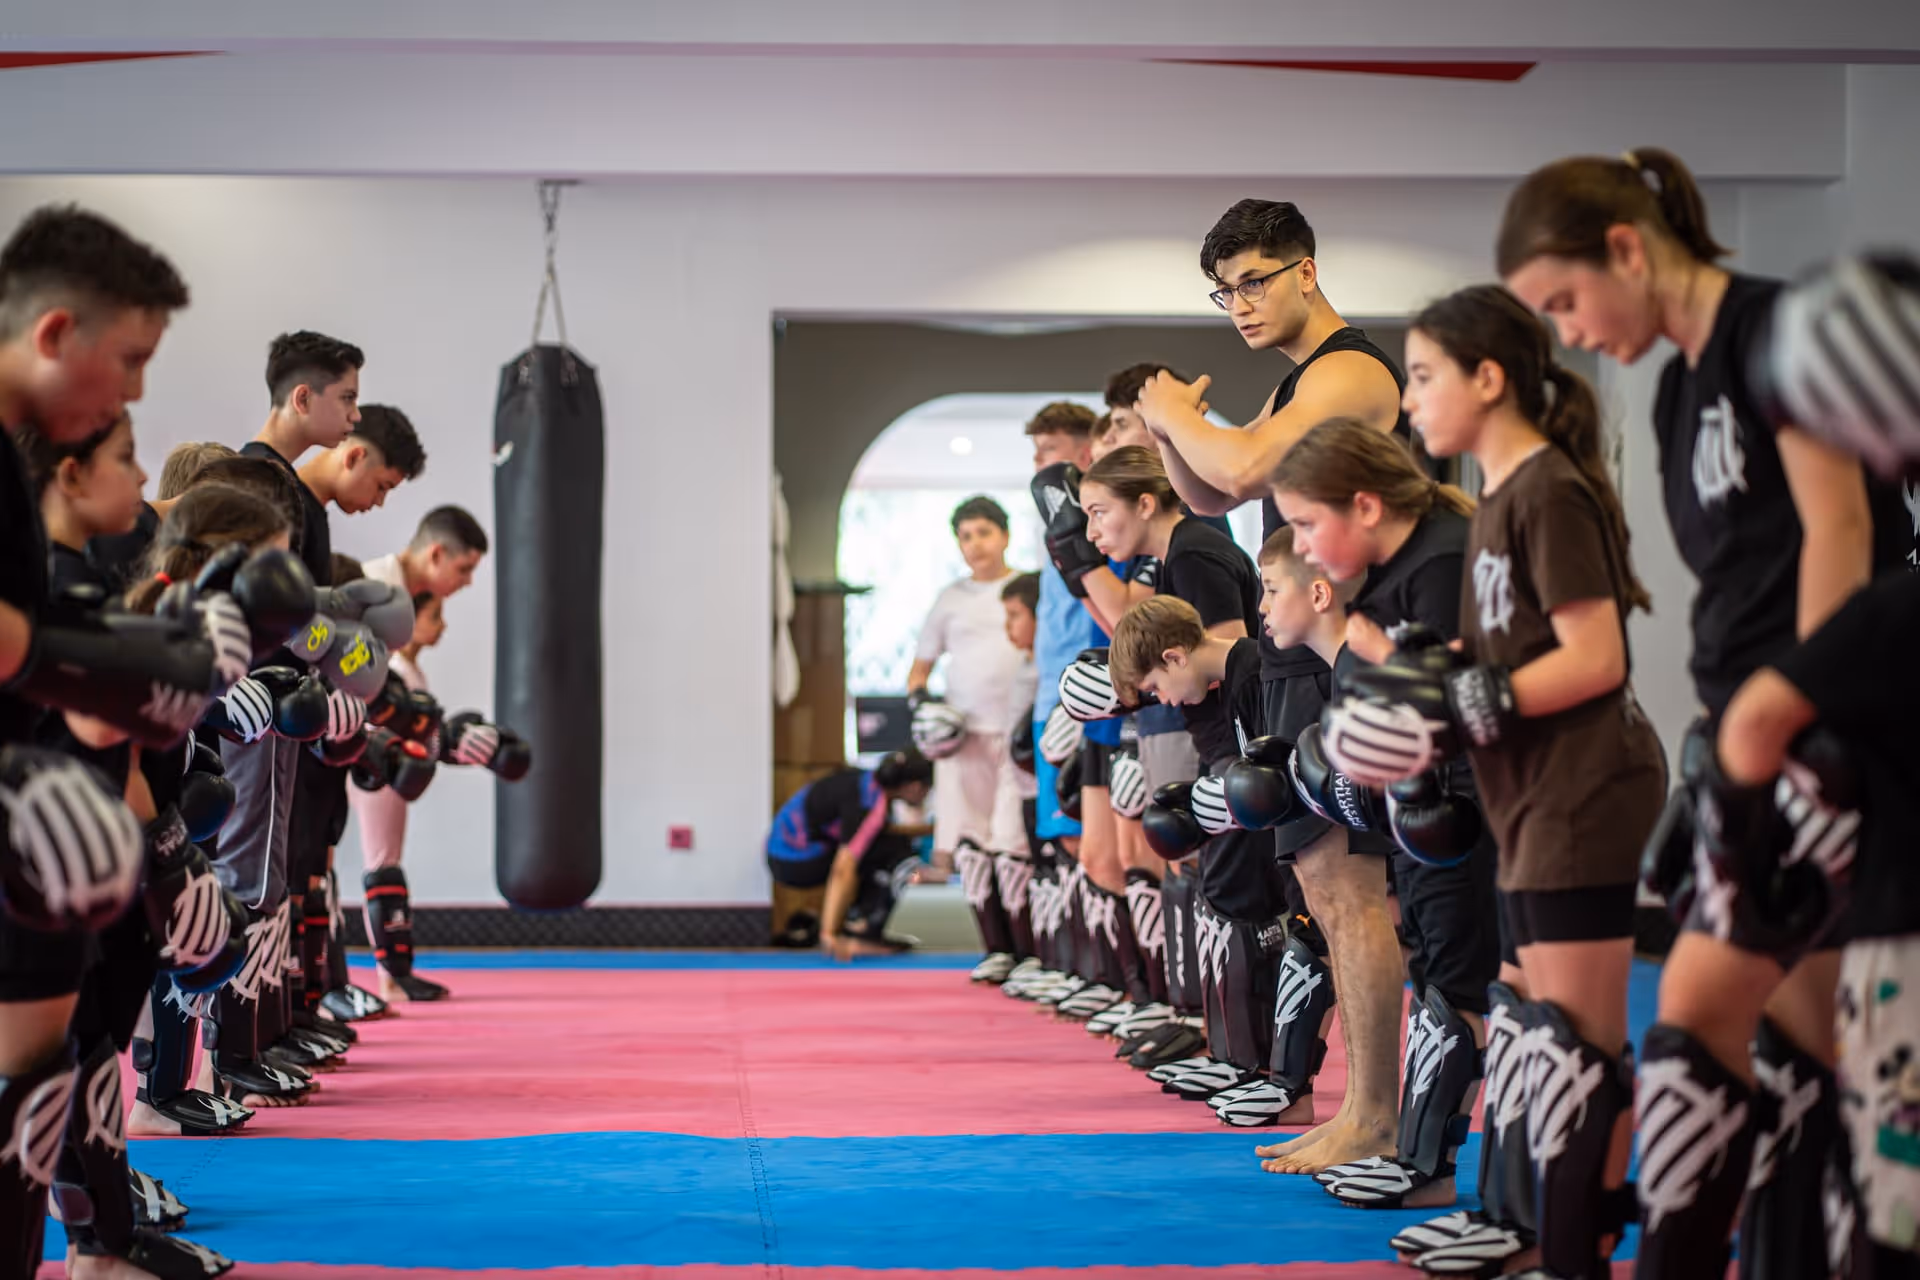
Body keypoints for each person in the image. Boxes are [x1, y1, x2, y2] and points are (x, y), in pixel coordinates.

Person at [1497, 147, 1911, 1280]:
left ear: (1626, 249)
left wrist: (1806, 728)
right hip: (1746, 737)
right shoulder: (1678, 383)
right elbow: (1737, 576)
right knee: (1806, 1035)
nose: (1572, 333)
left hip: (1822, 731)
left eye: (1567, 300)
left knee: (1697, 1015)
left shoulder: (1776, 333)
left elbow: (1839, 532)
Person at [1327, 286, 1666, 1277]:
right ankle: (1518, 1217)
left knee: (1578, 1033)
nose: (1409, 397)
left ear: (1488, 378)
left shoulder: (1548, 489)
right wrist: (1410, 677)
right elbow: (1498, 655)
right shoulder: (1497, 493)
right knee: (1521, 1011)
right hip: (1530, 784)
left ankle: (1574, 1241)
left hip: (1584, 781)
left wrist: (1459, 698)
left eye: (1423, 375)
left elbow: (1595, 656)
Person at [0, 204, 249, 1280]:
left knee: (44, 1078)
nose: (134, 393)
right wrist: (123, 669)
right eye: (131, 360)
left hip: (39, 813)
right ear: (58, 333)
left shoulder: (20, 472)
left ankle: (94, 1249)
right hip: (33, 798)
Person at [1268, 421, 1500, 1184]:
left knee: (1464, 974)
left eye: (1308, 524)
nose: (1304, 547)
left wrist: (1385, 667)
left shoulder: (1443, 560)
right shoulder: (1393, 573)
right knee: (1435, 960)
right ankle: (1411, 1155)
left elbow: (1467, 692)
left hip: (1479, 792)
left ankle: (1432, 1169)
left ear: (1365, 506)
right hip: (1431, 787)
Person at [343, 503, 487, 1003]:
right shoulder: (370, 591)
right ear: (437, 554)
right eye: (464, 569)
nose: (466, 583)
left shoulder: (404, 656)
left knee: (381, 861)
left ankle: (381, 977)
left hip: (372, 754)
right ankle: (387, 978)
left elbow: (415, 726)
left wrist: (455, 741)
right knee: (376, 861)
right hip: (360, 755)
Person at [907, 496, 1023, 884]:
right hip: (963, 740)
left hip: (1017, 733)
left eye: (984, 533)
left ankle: (1017, 922)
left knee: (1011, 843)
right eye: (966, 536)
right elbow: (918, 672)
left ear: (1005, 536)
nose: (975, 544)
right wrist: (924, 708)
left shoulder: (1026, 588)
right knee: (966, 846)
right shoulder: (950, 598)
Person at [764, 750, 935, 960]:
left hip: (783, 855)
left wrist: (930, 829)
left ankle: (855, 925)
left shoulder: (864, 783)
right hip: (794, 859)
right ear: (915, 786)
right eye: (928, 787)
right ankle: (859, 932)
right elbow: (843, 869)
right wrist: (829, 934)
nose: (927, 794)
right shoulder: (868, 805)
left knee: (890, 845)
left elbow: (881, 831)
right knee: (899, 855)